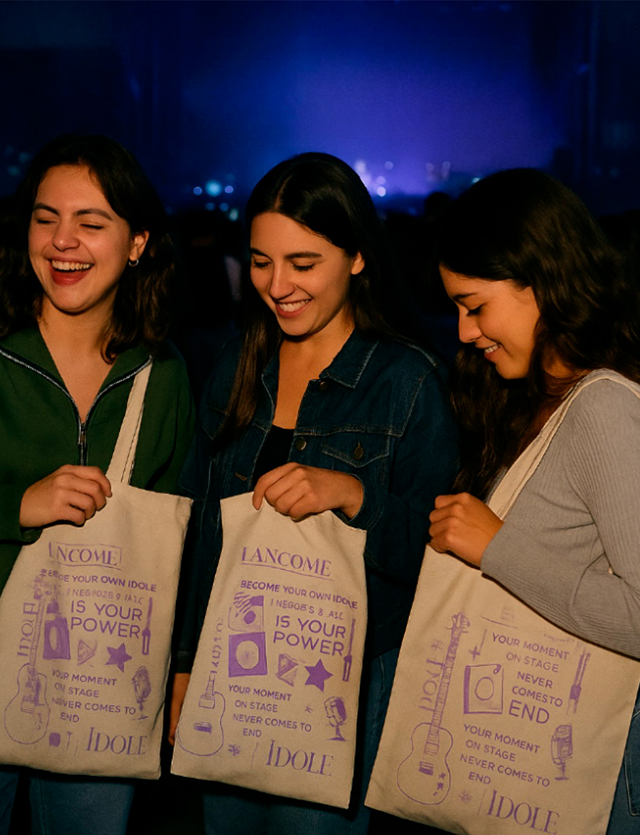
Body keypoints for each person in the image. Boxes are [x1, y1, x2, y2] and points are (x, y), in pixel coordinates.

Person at [170, 152, 458, 834]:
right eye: (262, 262)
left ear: (357, 257)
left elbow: (442, 559)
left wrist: (357, 495)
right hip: (232, 673)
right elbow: (199, 536)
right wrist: (183, 666)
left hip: (345, 692)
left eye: (304, 263)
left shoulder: (407, 380)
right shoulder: (239, 365)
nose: (277, 285)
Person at [428, 167, 640, 834]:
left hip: (592, 776)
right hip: (526, 756)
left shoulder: (603, 407)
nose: (464, 332)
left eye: (475, 306)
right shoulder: (530, 398)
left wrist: (498, 545)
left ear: (539, 283)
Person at [0, 134, 194, 835]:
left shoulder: (161, 374)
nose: (62, 242)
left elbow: (181, 538)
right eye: (45, 217)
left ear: (137, 241)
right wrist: (18, 504)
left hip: (102, 675)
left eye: (91, 221)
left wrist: (177, 667)